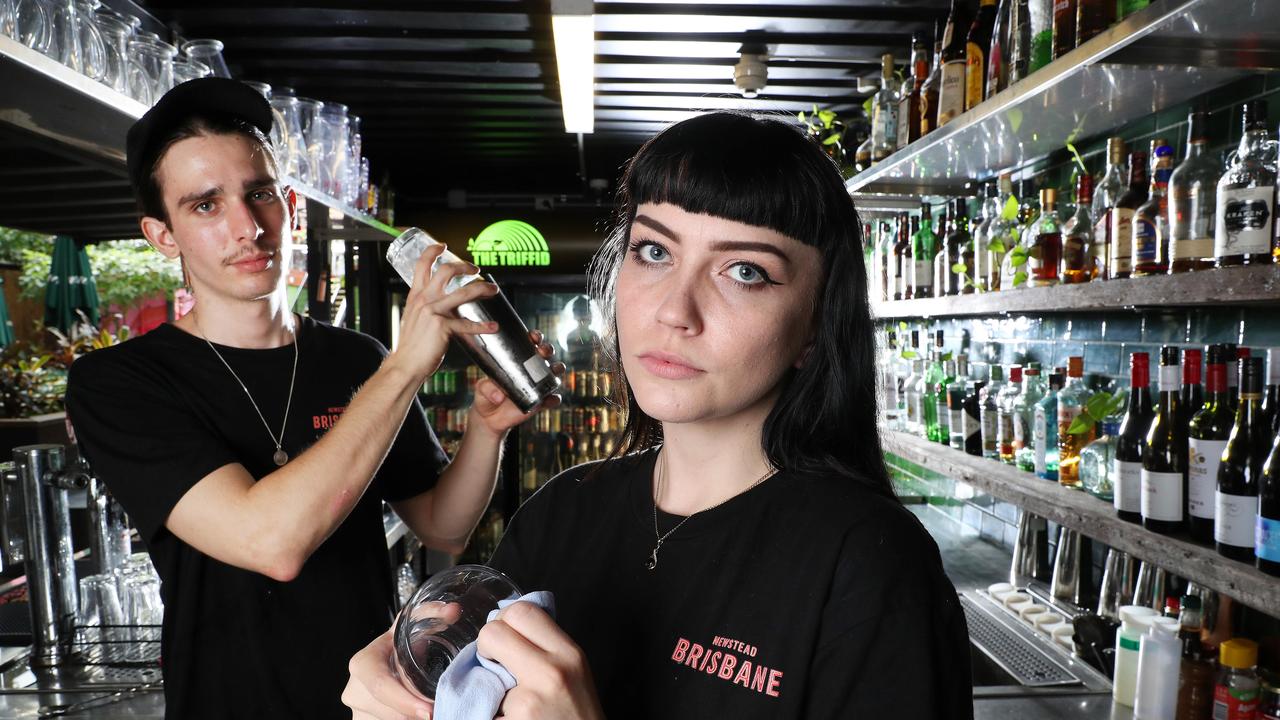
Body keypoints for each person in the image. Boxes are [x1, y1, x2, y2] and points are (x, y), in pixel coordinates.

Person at [343, 112, 973, 719]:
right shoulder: (562, 512)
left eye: (745, 271)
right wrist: (411, 684)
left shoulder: (873, 564)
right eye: (653, 252)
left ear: (815, 327)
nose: (676, 310)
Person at [64, 78, 560, 719]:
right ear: (162, 235)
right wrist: (407, 364)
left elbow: (443, 523)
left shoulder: (354, 359)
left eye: (259, 194)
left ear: (289, 205)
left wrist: (488, 429)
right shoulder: (122, 382)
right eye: (206, 206)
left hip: (377, 704)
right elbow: (272, 542)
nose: (247, 227)